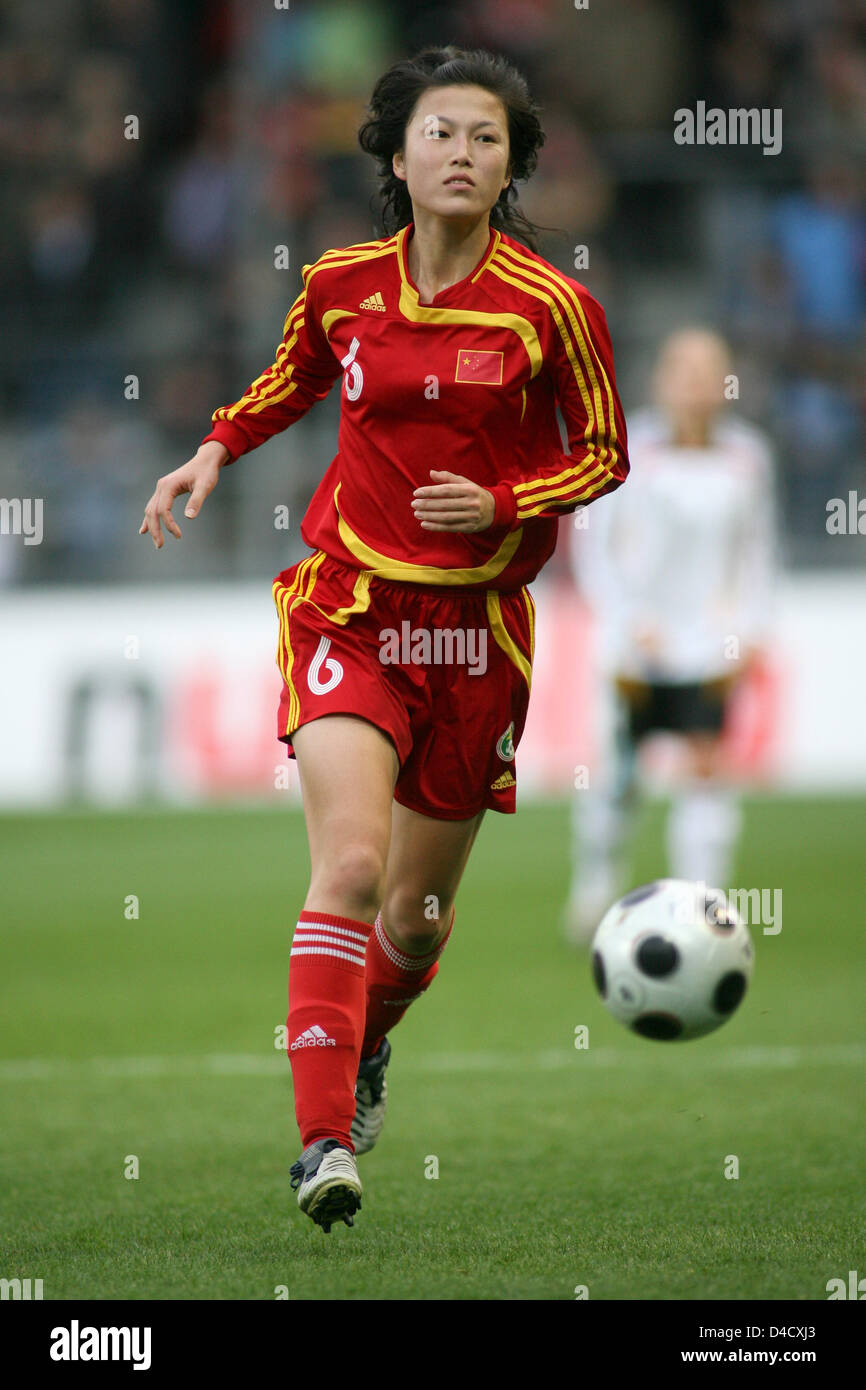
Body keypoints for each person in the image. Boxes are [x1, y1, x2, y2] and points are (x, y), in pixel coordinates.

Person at [140, 46, 629, 1233]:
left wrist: (506, 502)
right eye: (441, 134)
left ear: (510, 165)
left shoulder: (551, 304)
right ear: (398, 154)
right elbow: (291, 377)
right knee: (350, 868)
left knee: (412, 924)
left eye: (485, 139)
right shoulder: (338, 281)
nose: (460, 155)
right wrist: (213, 447)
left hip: (475, 638)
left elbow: (605, 453)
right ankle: (319, 1147)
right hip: (349, 607)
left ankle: (366, 1043)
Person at [563, 328, 776, 944]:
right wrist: (625, 621)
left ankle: (703, 905)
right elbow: (594, 545)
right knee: (619, 778)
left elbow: (757, 551)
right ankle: (594, 890)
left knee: (707, 769)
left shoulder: (748, 457)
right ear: (661, 378)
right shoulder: (628, 452)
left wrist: (750, 628)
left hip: (710, 646)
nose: (699, 383)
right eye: (685, 369)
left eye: (711, 369)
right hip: (640, 645)